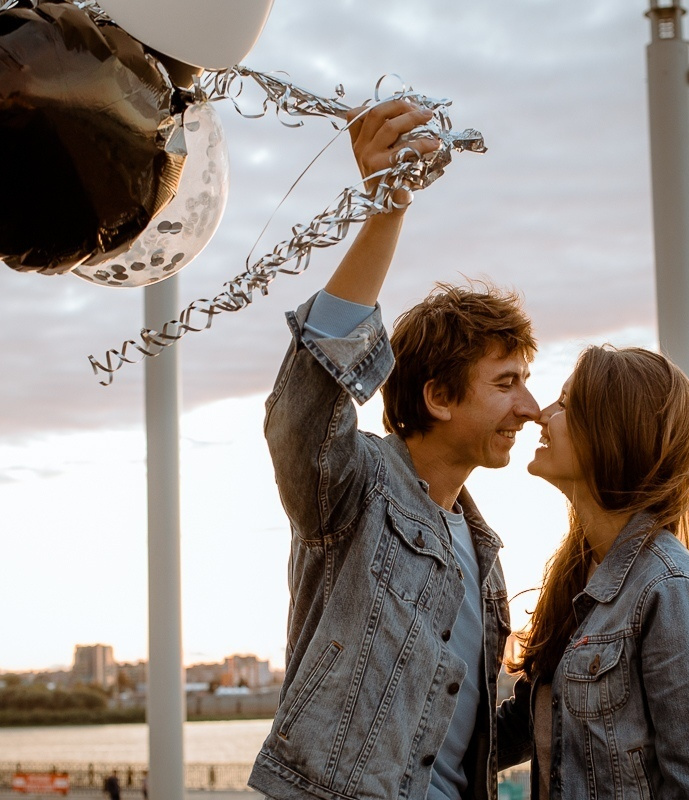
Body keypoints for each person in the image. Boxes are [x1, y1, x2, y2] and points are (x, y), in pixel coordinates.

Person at [248, 98, 540, 800]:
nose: (529, 408)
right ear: (439, 397)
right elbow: (306, 402)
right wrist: (387, 210)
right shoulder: (355, 489)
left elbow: (458, 737)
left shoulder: (483, 550)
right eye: (506, 384)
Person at [497, 346, 689, 798]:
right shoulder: (578, 578)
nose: (541, 415)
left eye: (566, 404)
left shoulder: (672, 591)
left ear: (613, 432)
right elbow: (522, 725)